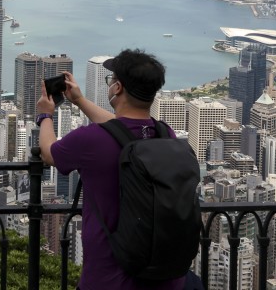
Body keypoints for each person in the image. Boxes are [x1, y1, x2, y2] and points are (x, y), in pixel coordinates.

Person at [36, 49, 186, 290]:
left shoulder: (90, 139)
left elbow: (49, 152)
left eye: (111, 80)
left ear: (117, 88)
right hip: (164, 276)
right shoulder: (164, 134)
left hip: (109, 278)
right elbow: (120, 129)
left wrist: (45, 115)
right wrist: (80, 101)